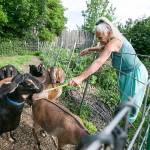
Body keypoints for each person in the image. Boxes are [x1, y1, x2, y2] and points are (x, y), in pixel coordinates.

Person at [69, 17, 148, 123]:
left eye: (100, 37)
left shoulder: (115, 41)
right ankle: (122, 125)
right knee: (125, 102)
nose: (100, 41)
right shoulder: (111, 41)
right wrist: (90, 49)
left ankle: (124, 130)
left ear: (109, 32)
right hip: (125, 73)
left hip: (135, 73)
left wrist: (80, 78)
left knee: (131, 105)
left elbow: (99, 62)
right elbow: (103, 47)